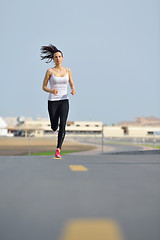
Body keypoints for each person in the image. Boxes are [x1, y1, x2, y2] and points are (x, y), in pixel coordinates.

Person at [40, 44, 76, 158]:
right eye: (56, 57)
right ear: (53, 59)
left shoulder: (68, 70)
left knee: (63, 126)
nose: (58, 58)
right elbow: (43, 86)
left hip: (64, 100)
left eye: (60, 56)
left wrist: (73, 89)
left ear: (62, 58)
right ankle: (54, 127)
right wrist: (51, 91)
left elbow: (71, 83)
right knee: (54, 126)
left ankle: (58, 149)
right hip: (53, 102)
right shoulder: (50, 71)